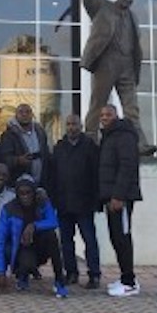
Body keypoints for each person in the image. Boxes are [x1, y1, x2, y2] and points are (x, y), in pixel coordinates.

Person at [81, 0, 155, 156]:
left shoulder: (133, 17)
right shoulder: (102, 6)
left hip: (127, 66)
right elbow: (87, 2)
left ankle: (139, 143)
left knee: (132, 109)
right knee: (98, 103)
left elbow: (135, 45)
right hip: (106, 63)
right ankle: (90, 139)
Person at [0, 174, 68, 298]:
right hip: (21, 248)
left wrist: (34, 225)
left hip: (40, 246)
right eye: (21, 193)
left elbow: (53, 221)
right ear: (17, 194)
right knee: (25, 263)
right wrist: (0, 271)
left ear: (34, 192)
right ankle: (23, 275)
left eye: (28, 192)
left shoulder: (42, 202)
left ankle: (59, 280)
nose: (25, 196)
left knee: (52, 236)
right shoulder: (9, 209)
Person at [50, 114, 102, 289]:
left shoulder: (90, 147)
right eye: (69, 124)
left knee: (90, 240)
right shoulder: (59, 148)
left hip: (84, 204)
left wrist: (96, 199)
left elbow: (96, 175)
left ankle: (94, 274)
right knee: (65, 242)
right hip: (64, 204)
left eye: (75, 124)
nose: (72, 127)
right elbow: (53, 176)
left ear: (81, 126)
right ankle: (71, 273)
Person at [98, 104, 142, 297]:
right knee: (116, 237)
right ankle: (125, 276)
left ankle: (130, 282)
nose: (104, 118)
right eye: (102, 115)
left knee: (122, 238)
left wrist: (119, 195)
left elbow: (127, 166)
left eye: (108, 114)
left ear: (116, 116)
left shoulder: (124, 135)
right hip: (111, 197)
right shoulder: (109, 136)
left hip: (120, 199)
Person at [0, 103, 51, 186]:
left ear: (32, 115)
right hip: (19, 184)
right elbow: (3, 158)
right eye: (21, 112)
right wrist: (18, 160)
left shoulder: (40, 132)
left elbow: (46, 153)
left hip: (41, 182)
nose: (24, 114)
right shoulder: (9, 135)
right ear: (16, 115)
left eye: (28, 112)